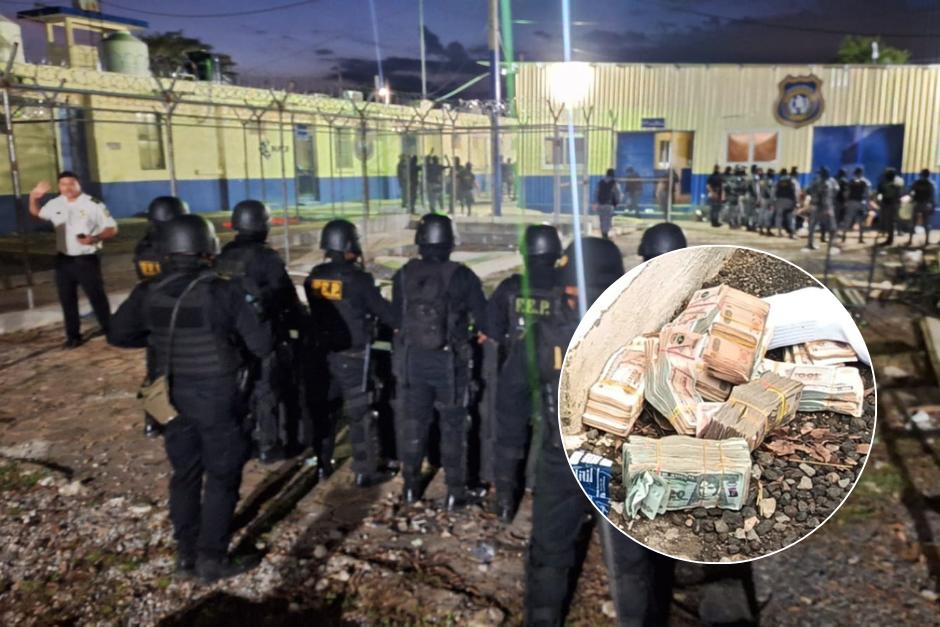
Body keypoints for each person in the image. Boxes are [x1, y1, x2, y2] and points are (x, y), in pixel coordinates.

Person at [499, 234, 677, 626]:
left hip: (576, 463)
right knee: (625, 561)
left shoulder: (547, 335)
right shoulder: (646, 331)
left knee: (563, 555)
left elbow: (509, 404)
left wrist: (506, 475)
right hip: (610, 463)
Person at [108, 214, 274, 583]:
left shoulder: (149, 290)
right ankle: (212, 559)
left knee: (184, 474)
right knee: (221, 476)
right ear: (208, 249)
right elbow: (262, 345)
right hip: (217, 397)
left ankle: (185, 557)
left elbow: (118, 335)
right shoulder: (224, 290)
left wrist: (159, 340)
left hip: (170, 396)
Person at [391, 213, 487, 509]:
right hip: (449, 363)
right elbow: (485, 320)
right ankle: (455, 492)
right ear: (450, 241)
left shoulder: (403, 274)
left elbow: (396, 318)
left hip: (412, 361)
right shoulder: (463, 276)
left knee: (413, 424)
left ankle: (410, 487)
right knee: (454, 427)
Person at [305, 219, 399, 486]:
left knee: (325, 413)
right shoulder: (358, 279)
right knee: (360, 415)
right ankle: (364, 471)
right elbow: (387, 314)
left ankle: (322, 465)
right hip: (353, 357)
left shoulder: (314, 276)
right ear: (349, 245)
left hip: (321, 356)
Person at [216, 199, 306, 463]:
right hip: (263, 332)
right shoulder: (267, 258)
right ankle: (267, 445)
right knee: (266, 389)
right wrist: (302, 325)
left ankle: (241, 439)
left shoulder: (224, 255)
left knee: (238, 387)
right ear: (263, 226)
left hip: (230, 333)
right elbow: (286, 299)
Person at [484, 223, 562, 521]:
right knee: (555, 438)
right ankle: (544, 496)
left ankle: (505, 502)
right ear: (556, 253)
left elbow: (491, 330)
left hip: (515, 369)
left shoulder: (511, 287)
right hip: (555, 371)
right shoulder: (567, 289)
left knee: (508, 435)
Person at [28, 171, 117, 348]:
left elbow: (112, 229)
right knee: (67, 299)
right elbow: (37, 213)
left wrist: (95, 238)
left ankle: (110, 329)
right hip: (63, 260)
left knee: (96, 297)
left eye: (71, 183)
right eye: (63, 184)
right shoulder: (56, 203)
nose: (67, 188)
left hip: (86, 259)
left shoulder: (93, 204)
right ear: (59, 186)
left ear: (78, 184)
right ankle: (73, 336)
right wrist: (33, 198)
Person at [135, 195, 188, 439]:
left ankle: (152, 421)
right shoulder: (177, 244)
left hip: (153, 314)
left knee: (155, 369)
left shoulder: (144, 247)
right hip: (178, 312)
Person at [805, 166, 839, 250]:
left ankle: (810, 243)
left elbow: (808, 190)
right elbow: (836, 190)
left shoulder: (816, 180)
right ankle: (831, 245)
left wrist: (814, 195)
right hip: (827, 206)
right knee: (832, 227)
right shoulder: (832, 181)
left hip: (816, 206)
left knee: (812, 226)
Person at [841, 168, 871, 243]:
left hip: (851, 202)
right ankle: (860, 238)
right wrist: (867, 204)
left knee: (848, 219)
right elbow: (867, 194)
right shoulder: (865, 182)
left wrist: (846, 202)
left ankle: (844, 236)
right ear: (861, 173)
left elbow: (846, 193)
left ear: (855, 173)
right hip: (861, 203)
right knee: (861, 221)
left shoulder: (851, 181)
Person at [876, 167, 904, 246]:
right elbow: (879, 193)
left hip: (892, 204)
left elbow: (899, 193)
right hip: (887, 203)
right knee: (888, 221)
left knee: (891, 222)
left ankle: (890, 239)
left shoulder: (896, 183)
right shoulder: (885, 183)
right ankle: (889, 237)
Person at [908, 169, 935, 247]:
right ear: (928, 175)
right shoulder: (930, 183)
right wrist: (932, 205)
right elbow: (932, 196)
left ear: (921, 174)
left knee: (913, 222)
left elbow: (910, 192)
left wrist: (912, 199)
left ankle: (910, 240)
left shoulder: (916, 182)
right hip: (926, 204)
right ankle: (926, 241)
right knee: (926, 223)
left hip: (917, 204)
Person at [595, 168, 621, 239]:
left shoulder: (600, 182)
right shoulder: (614, 183)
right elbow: (618, 194)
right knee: (607, 220)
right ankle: (605, 236)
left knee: (602, 220)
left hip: (601, 204)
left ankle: (604, 235)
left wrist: (596, 202)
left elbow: (596, 193)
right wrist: (617, 203)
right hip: (609, 205)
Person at [774, 169, 797, 238]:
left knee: (779, 217)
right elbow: (794, 191)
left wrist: (775, 200)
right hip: (789, 200)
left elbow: (775, 191)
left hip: (780, 200)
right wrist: (795, 201)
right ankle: (792, 233)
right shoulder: (791, 181)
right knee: (790, 217)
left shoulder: (778, 181)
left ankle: (779, 232)